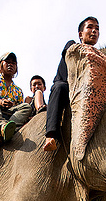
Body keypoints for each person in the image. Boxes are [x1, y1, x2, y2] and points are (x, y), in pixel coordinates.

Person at [43, 17, 100, 151]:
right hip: (66, 88)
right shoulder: (72, 45)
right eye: (90, 27)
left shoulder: (99, 55)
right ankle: (50, 135)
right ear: (80, 34)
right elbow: (73, 57)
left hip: (85, 90)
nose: (94, 31)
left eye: (97, 29)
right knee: (59, 87)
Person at [0, 52, 32, 144]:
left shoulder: (18, 90)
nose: (10, 65)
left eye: (13, 63)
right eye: (7, 62)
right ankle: (1, 126)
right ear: (1, 65)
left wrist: (12, 105)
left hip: (9, 113)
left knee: (26, 107)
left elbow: (18, 106)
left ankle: (10, 128)